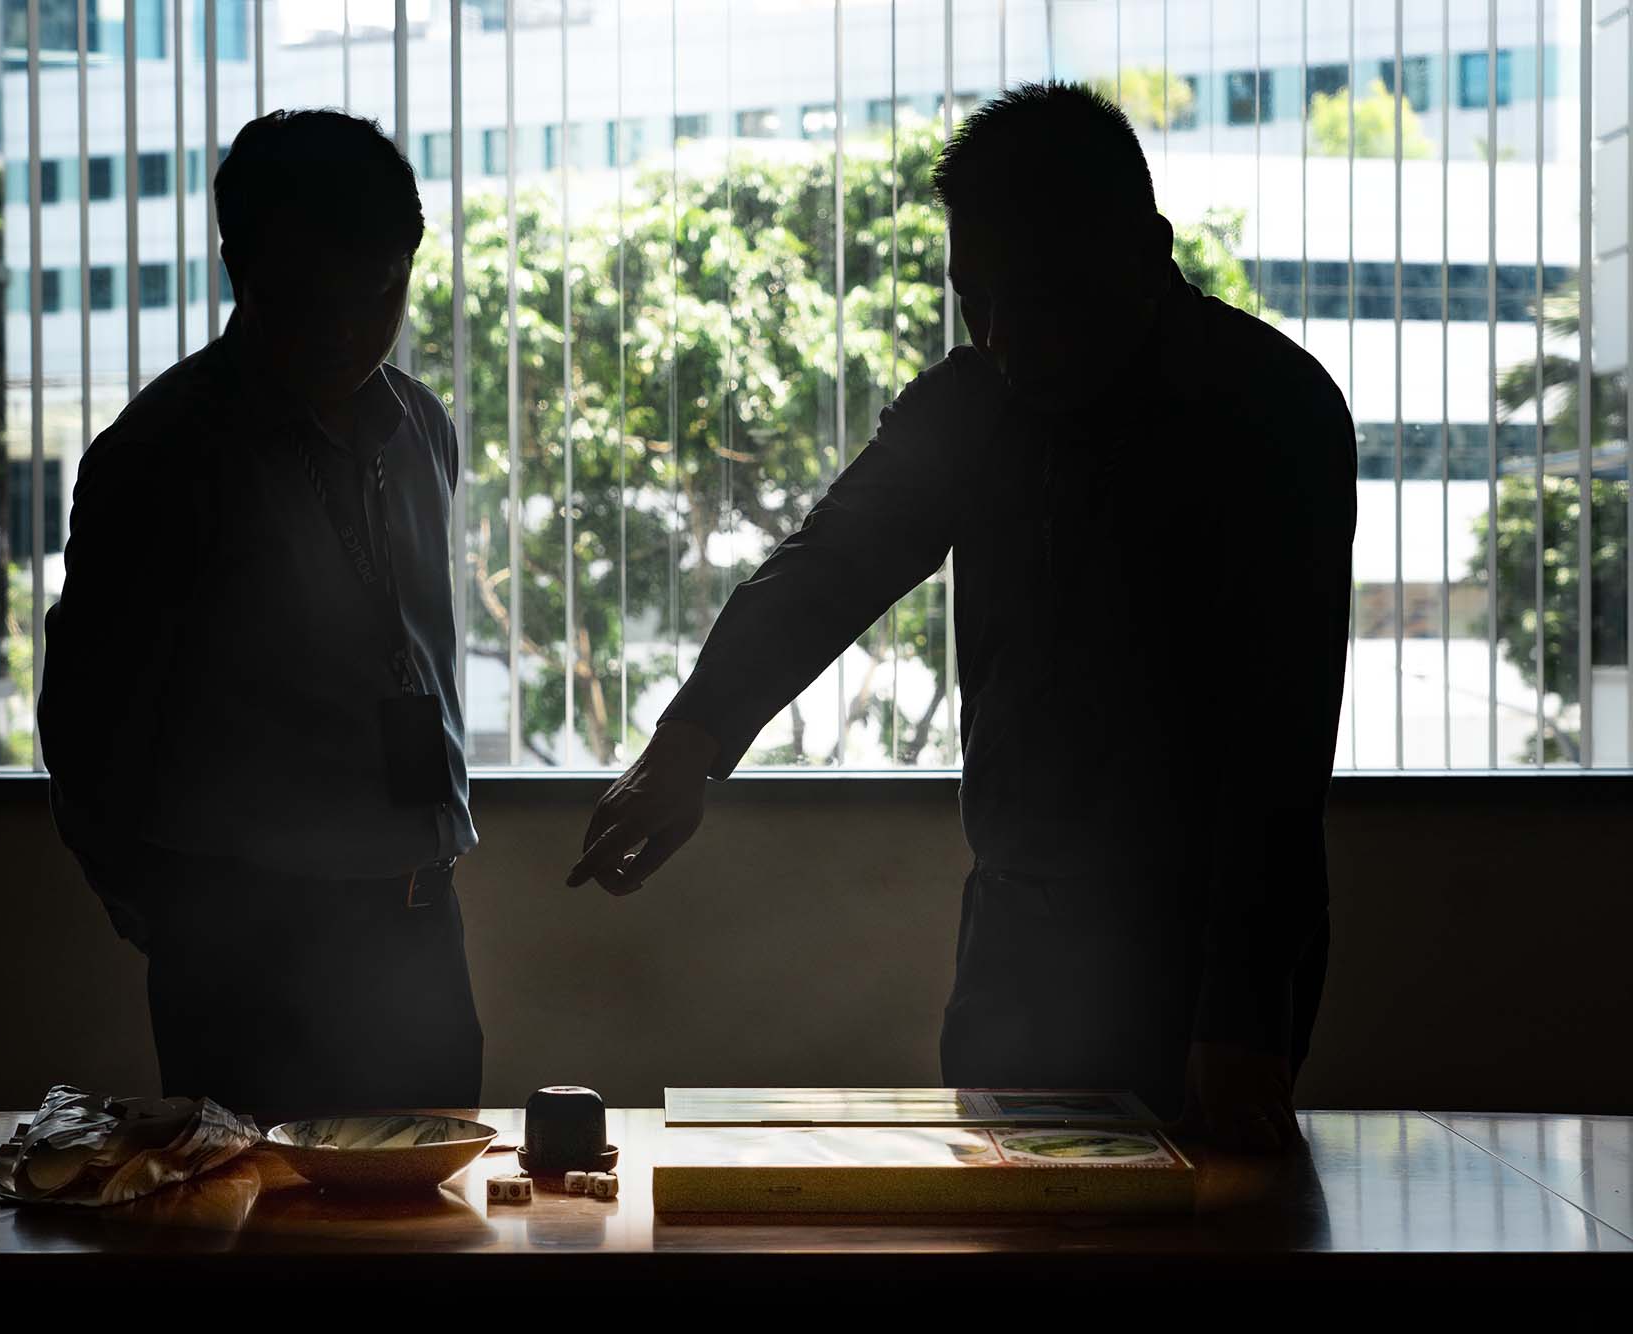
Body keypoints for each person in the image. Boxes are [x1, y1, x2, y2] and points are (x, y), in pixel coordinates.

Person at [565, 83, 1356, 1152]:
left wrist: (1239, 1019)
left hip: (1204, 945)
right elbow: (827, 564)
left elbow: (1277, 752)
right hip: (1015, 940)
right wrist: (688, 739)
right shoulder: (976, 398)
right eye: (973, 297)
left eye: (1039, 297)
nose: (1004, 335)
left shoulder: (1269, 409)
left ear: (1147, 248)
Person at [39, 109, 482, 1123]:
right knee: (250, 1229)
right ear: (240, 263)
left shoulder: (418, 426)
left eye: (374, 294)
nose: (343, 330)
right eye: (307, 296)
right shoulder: (162, 453)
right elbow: (84, 711)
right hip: (248, 941)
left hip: (419, 914)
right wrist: (177, 918)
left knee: (429, 1224)